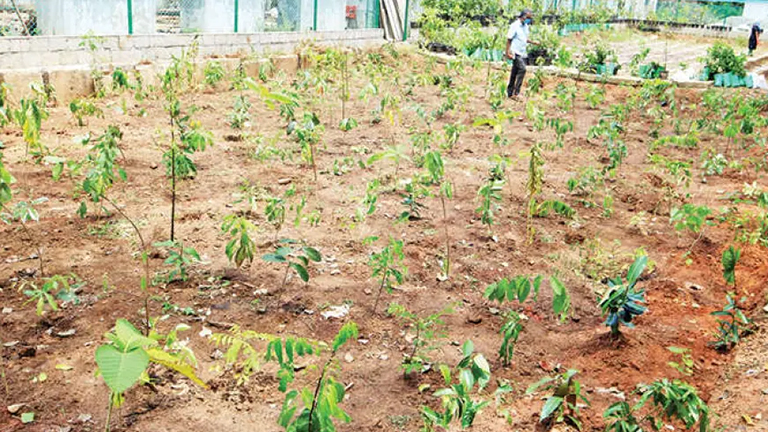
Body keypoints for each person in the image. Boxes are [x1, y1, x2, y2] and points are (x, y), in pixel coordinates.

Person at [505, 9, 539, 99]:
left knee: (514, 72)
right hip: (515, 52)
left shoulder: (525, 26)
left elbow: (523, 38)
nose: (529, 20)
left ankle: (510, 92)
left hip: (522, 52)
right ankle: (516, 93)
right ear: (523, 17)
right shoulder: (515, 26)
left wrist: (533, 42)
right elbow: (509, 39)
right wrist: (507, 52)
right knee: (522, 69)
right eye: (528, 18)